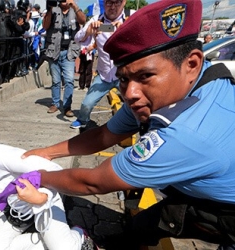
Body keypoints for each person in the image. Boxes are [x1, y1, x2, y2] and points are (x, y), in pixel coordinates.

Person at [19, 0, 235, 249]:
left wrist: (38, 177)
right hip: (205, 182)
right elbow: (104, 135)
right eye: (123, 79)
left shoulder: (188, 134)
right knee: (139, 227)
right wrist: (47, 152)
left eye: (145, 76)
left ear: (191, 64)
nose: (130, 93)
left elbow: (94, 182)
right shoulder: (169, 90)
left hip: (225, 210)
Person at [0, 113, 97, 250]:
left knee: (65, 248)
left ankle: (79, 236)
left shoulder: (2, 156)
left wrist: (41, 199)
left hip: (41, 194)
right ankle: (52, 241)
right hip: (15, 207)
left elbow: (54, 169)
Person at [70, 0, 125, 129]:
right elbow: (78, 39)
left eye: (116, 3)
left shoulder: (131, 17)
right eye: (109, 3)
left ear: (124, 3)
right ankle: (82, 119)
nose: (112, 7)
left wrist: (125, 29)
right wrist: (89, 31)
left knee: (135, 103)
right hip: (103, 75)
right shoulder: (97, 19)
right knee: (86, 104)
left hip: (124, 74)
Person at [43, 0, 86, 117]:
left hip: (69, 53)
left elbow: (83, 20)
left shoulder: (75, 10)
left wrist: (75, 6)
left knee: (69, 80)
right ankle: (55, 104)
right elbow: (45, 26)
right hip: (54, 52)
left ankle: (67, 107)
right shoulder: (53, 10)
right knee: (56, 81)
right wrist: (50, 9)